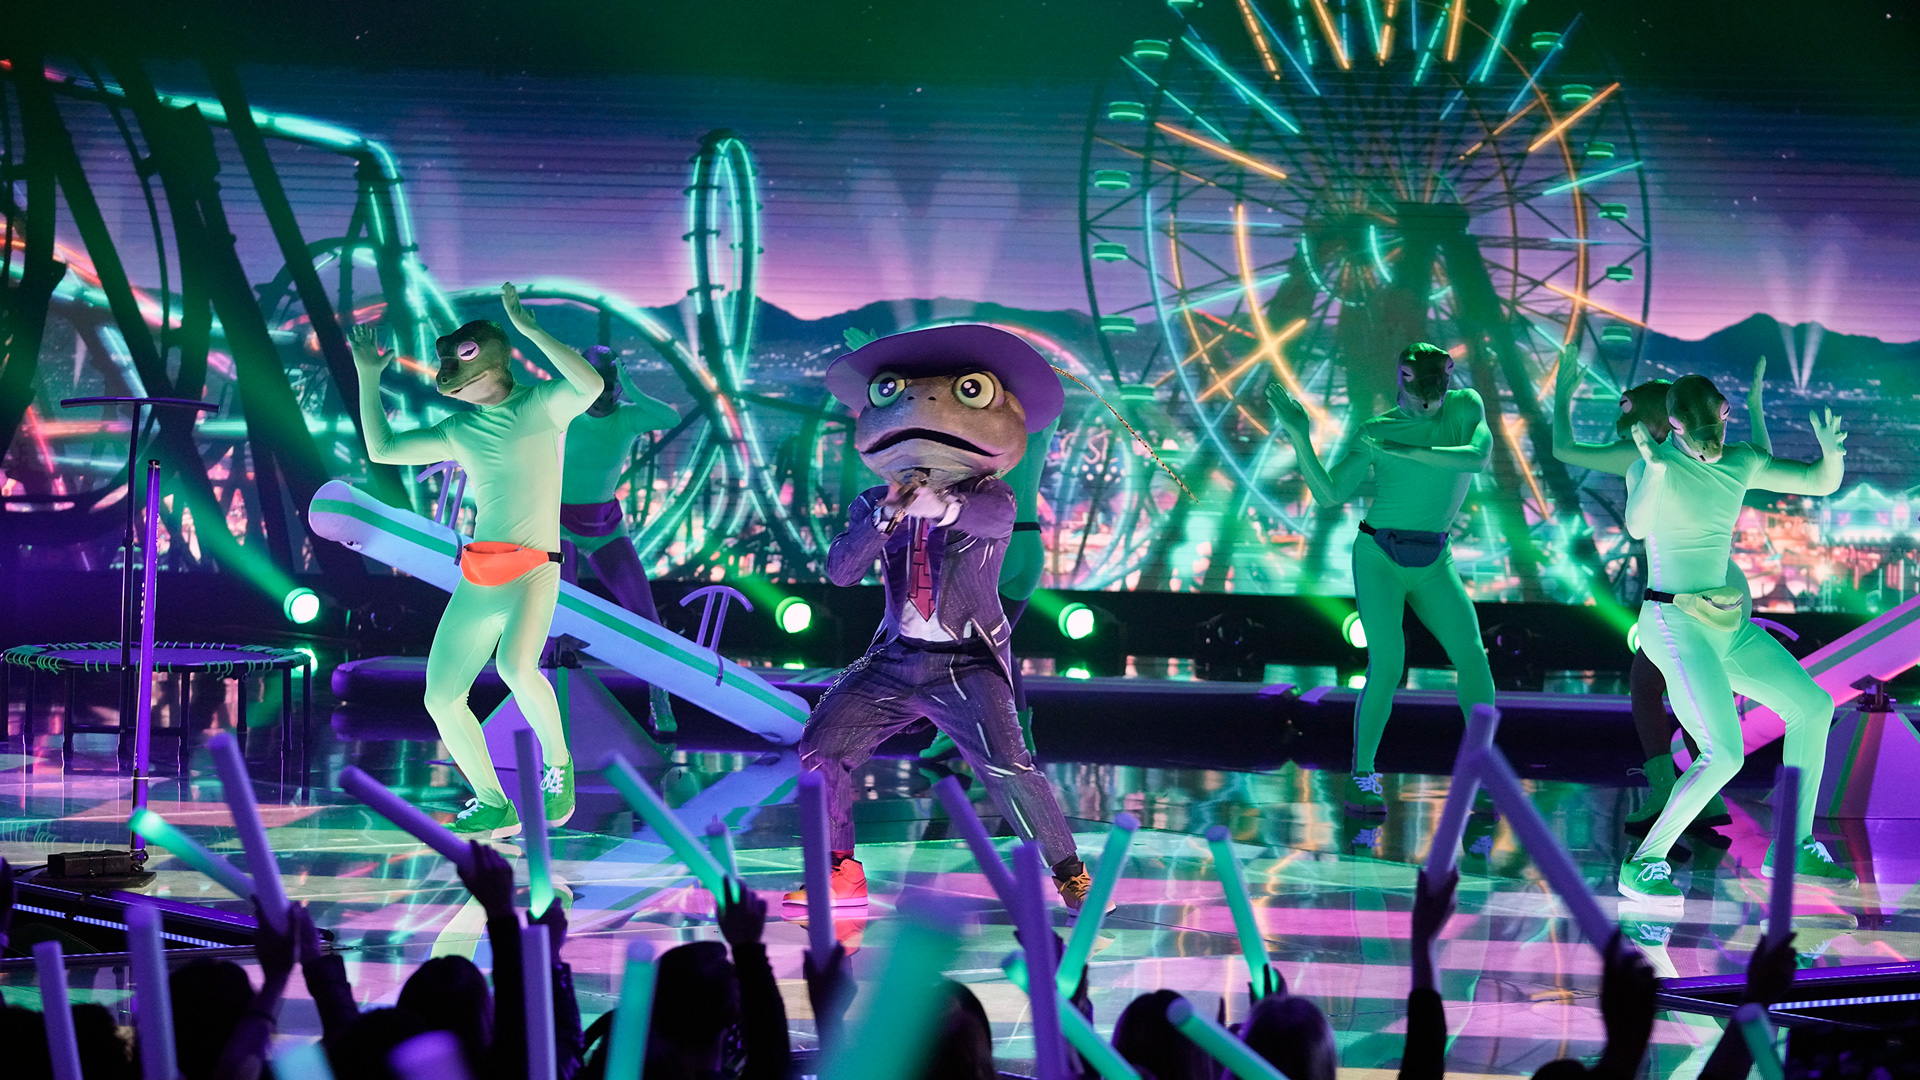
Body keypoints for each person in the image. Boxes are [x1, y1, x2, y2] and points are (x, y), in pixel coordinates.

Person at [788, 325, 1089, 908]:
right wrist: (885, 519)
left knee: (1008, 766)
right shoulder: (873, 504)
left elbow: (990, 521)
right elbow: (842, 571)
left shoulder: (992, 494)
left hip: (966, 661)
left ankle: (1070, 873)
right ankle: (839, 870)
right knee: (821, 745)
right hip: (897, 658)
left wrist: (941, 506)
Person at [349, 282, 603, 837]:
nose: (453, 377)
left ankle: (559, 767)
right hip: (481, 572)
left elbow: (590, 384)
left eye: (464, 361)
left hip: (535, 567)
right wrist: (369, 376)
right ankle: (492, 802)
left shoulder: (541, 406)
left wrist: (531, 329)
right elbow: (383, 449)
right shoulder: (459, 429)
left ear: (495, 361)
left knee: (516, 666)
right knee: (440, 696)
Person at [1617, 374, 1853, 901]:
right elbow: (1636, 526)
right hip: (1674, 622)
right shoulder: (1650, 466)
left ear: (1725, 415)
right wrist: (1656, 471)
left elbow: (1819, 482)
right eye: (1700, 438)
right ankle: (1645, 862)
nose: (1712, 447)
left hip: (1727, 624)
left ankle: (1793, 846)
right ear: (1675, 425)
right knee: (1723, 754)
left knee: (1813, 706)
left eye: (1718, 432)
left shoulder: (1740, 460)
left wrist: (1831, 455)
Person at [1267, 344, 1496, 815]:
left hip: (1434, 557)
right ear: (1402, 381)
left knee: (1474, 657)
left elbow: (1476, 458)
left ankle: (1481, 768)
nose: (1429, 402)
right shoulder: (1376, 429)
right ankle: (1363, 774)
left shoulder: (1465, 406)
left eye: (1437, 392)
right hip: (1379, 555)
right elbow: (1329, 494)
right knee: (1388, 664)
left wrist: (1405, 450)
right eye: (1420, 393)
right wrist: (1300, 435)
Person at [1554, 358, 1773, 838]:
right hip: (1724, 586)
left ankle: (1670, 793)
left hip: (1688, 593)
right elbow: (1761, 458)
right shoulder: (1706, 456)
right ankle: (1701, 796)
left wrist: (1562, 395)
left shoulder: (1646, 459)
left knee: (1654, 685)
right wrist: (1755, 407)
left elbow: (1563, 448)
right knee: (1686, 686)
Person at [553, 346, 681, 731]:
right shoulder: (564, 411)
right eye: (597, 386)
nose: (605, 396)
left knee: (646, 618)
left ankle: (659, 700)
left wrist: (632, 387)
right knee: (564, 610)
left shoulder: (627, 418)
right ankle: (553, 702)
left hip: (605, 524)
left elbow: (670, 417)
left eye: (611, 388)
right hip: (557, 521)